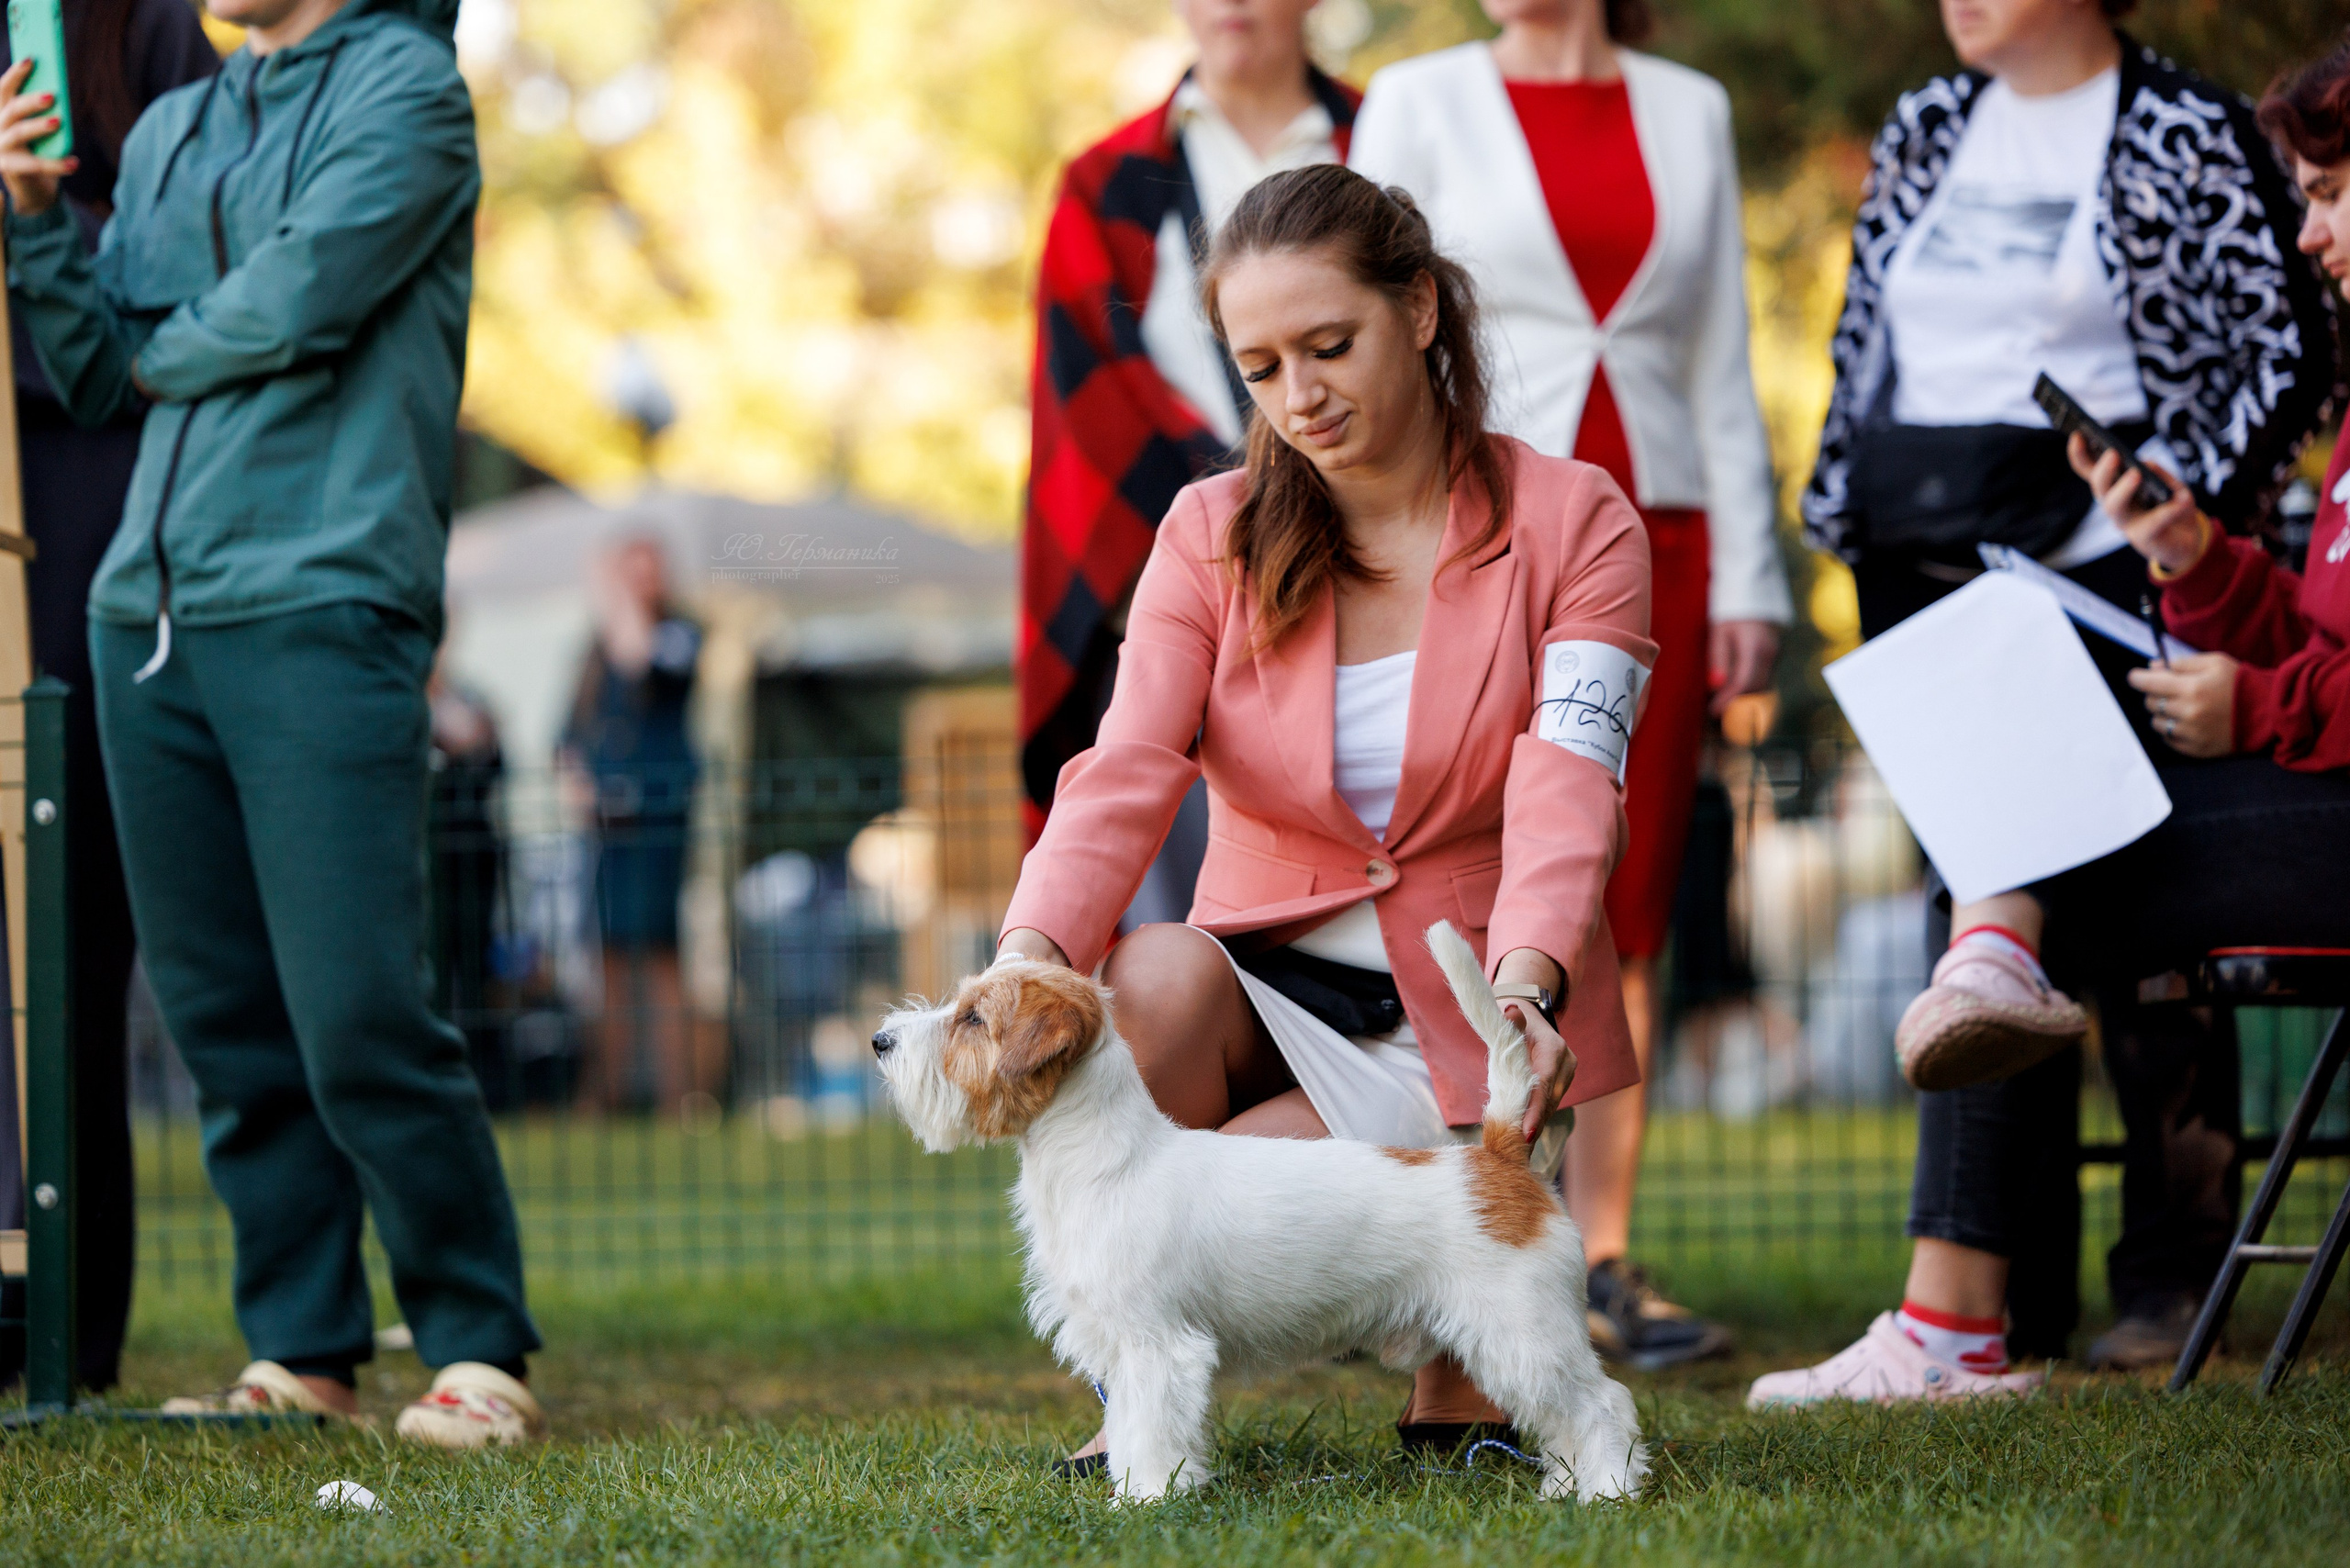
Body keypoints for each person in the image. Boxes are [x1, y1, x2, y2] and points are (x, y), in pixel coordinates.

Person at [999, 162, 1653, 1472]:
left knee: (1445, 1358)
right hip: (1271, 1003)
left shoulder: (1579, 520)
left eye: (1329, 345)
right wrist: (1029, 959)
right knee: (1159, 973)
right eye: (1259, 367)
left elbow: (1571, 780)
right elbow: (1125, 767)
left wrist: (1526, 985)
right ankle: (1142, 1398)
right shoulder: (1206, 533)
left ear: (1418, 308)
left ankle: (1459, 1400)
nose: (1299, 397)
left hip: (1479, 1007)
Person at [1754, 0, 2341, 1402]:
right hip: (1963, 566)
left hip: (2194, 674)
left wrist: (2245, 681)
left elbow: (2267, 363)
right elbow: (1865, 345)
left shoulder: (2182, 134)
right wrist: (2200, 559)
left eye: (2325, 198)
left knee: (2019, 856)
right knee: (2004, 863)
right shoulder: (1931, 129)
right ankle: (1972, 1314)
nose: (2310, 236)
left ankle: (2006, 1310)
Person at [0, 0, 543, 1444]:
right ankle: (298, 1348)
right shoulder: (179, 123)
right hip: (143, 614)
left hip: (321, 598)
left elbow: (301, 302)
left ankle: (478, 1344)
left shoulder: (409, 93)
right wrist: (39, 215)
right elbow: (101, 364)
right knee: (224, 1022)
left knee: (361, 1006)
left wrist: (167, 322)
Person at [1347, 0, 1790, 1367]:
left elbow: (1718, 357)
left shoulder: (1688, 109)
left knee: (1628, 898)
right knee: (1489, 871)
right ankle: (1480, 1240)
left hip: (1655, 531)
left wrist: (1752, 581)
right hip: (1480, 525)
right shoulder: (1415, 99)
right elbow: (1370, 331)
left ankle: (1601, 1259)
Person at [1020, 0, 1358, 932]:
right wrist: (1232, 527)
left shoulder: (1388, 135)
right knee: (1186, 934)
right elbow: (1090, 405)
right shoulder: (1105, 184)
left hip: (1382, 572)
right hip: (1189, 585)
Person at [0, 0, 217, 1398]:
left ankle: (61, 1312)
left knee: (61, 901)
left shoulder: (141, 27)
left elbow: (192, 260)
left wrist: (31, 205)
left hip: (81, 471)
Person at [563, 535, 709, 1116]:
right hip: (607, 831)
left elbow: (639, 658)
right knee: (609, 959)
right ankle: (606, 1093)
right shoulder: (592, 651)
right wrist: (573, 778)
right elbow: (571, 727)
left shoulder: (682, 636)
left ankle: (679, 1095)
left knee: (662, 953)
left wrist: (615, 599)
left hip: (659, 823)